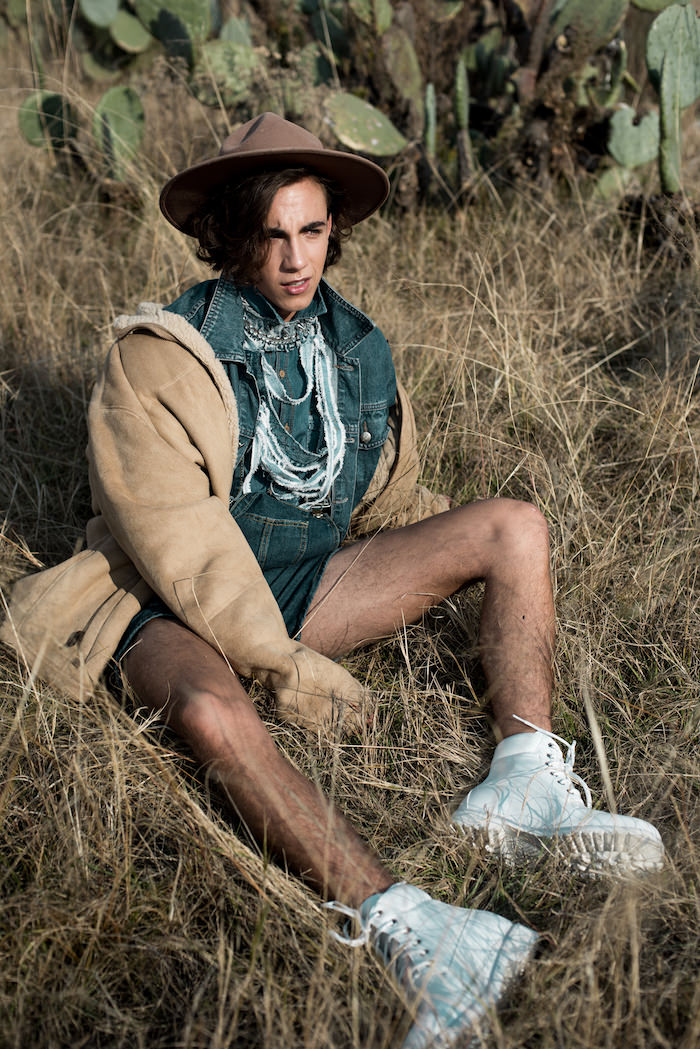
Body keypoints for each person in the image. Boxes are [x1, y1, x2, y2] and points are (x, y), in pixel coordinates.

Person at [1, 113, 664, 1048]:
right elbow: (185, 551)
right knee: (208, 713)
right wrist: (288, 670)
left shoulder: (355, 348)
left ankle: (526, 788)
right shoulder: (156, 356)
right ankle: (420, 928)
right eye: (273, 234)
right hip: (165, 597)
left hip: (303, 581)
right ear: (233, 236)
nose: (296, 258)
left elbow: (390, 501)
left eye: (312, 231)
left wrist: (443, 556)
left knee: (514, 526)